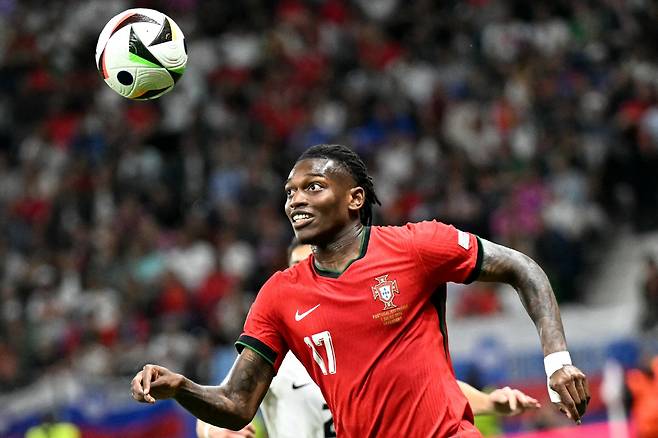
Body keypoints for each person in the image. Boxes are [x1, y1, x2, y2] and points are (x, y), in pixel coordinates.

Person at [131, 144, 590, 437]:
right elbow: (235, 404)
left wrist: (558, 362)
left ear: (354, 199)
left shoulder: (417, 246)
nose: (296, 200)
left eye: (313, 187)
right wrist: (182, 387)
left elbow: (522, 268)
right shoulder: (279, 295)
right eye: (290, 192)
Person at [198, 240, 541, 438]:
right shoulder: (277, 354)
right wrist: (218, 433)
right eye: (301, 270)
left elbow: (432, 389)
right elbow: (218, 407)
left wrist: (489, 403)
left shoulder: (368, 339)